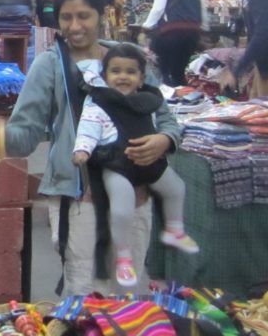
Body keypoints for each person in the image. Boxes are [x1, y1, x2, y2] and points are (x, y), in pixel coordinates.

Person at [0, 0, 182, 294]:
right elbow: (28, 132)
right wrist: (1, 138)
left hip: (135, 195)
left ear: (102, 14)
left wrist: (163, 142)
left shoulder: (127, 59)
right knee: (83, 293)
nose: (74, 26)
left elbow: (167, 120)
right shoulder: (51, 65)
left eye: (84, 16)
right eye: (66, 17)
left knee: (126, 292)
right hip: (80, 199)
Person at [72, 43, 198, 287]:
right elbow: (88, 129)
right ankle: (123, 255)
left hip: (148, 162)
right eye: (116, 71)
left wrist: (163, 140)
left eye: (130, 72)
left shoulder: (148, 100)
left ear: (141, 78)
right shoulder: (99, 103)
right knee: (122, 207)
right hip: (117, 163)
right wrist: (82, 150)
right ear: (105, 77)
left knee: (176, 188)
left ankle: (174, 228)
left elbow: (165, 124)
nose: (122, 77)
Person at [140, 0, 205, 86]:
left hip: (171, 32)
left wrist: (146, 27)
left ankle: (170, 102)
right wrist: (203, 26)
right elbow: (201, 2)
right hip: (192, 31)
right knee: (179, 72)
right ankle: (184, 100)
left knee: (165, 73)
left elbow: (159, 8)